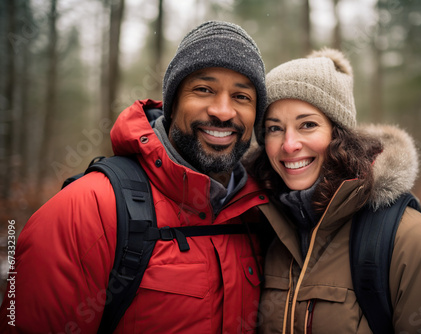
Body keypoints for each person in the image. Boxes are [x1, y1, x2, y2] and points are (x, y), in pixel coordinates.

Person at [0, 21, 270, 333]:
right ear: (172, 103)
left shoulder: (260, 214)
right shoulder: (85, 210)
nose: (223, 111)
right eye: (203, 89)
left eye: (242, 96)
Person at [245, 48, 421, 333]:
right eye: (274, 128)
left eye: (308, 125)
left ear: (338, 134)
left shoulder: (406, 240)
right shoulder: (266, 228)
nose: (289, 144)